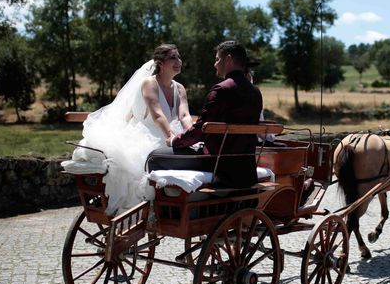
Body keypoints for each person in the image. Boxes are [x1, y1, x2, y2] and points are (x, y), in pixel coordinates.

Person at [68, 44, 193, 215]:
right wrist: (170, 137)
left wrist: (192, 135)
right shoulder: (149, 83)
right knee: (139, 167)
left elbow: (185, 116)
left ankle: (173, 205)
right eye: (172, 57)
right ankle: (144, 211)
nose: (178, 61)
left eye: (178, 57)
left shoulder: (179, 88)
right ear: (160, 63)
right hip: (148, 134)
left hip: (169, 133)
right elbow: (157, 115)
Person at [148, 40, 262, 188]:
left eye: (217, 59)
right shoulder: (256, 93)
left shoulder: (221, 90)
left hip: (217, 163)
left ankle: (166, 210)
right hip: (246, 167)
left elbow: (201, 129)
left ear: (228, 60)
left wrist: (175, 141)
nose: (215, 64)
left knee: (154, 157)